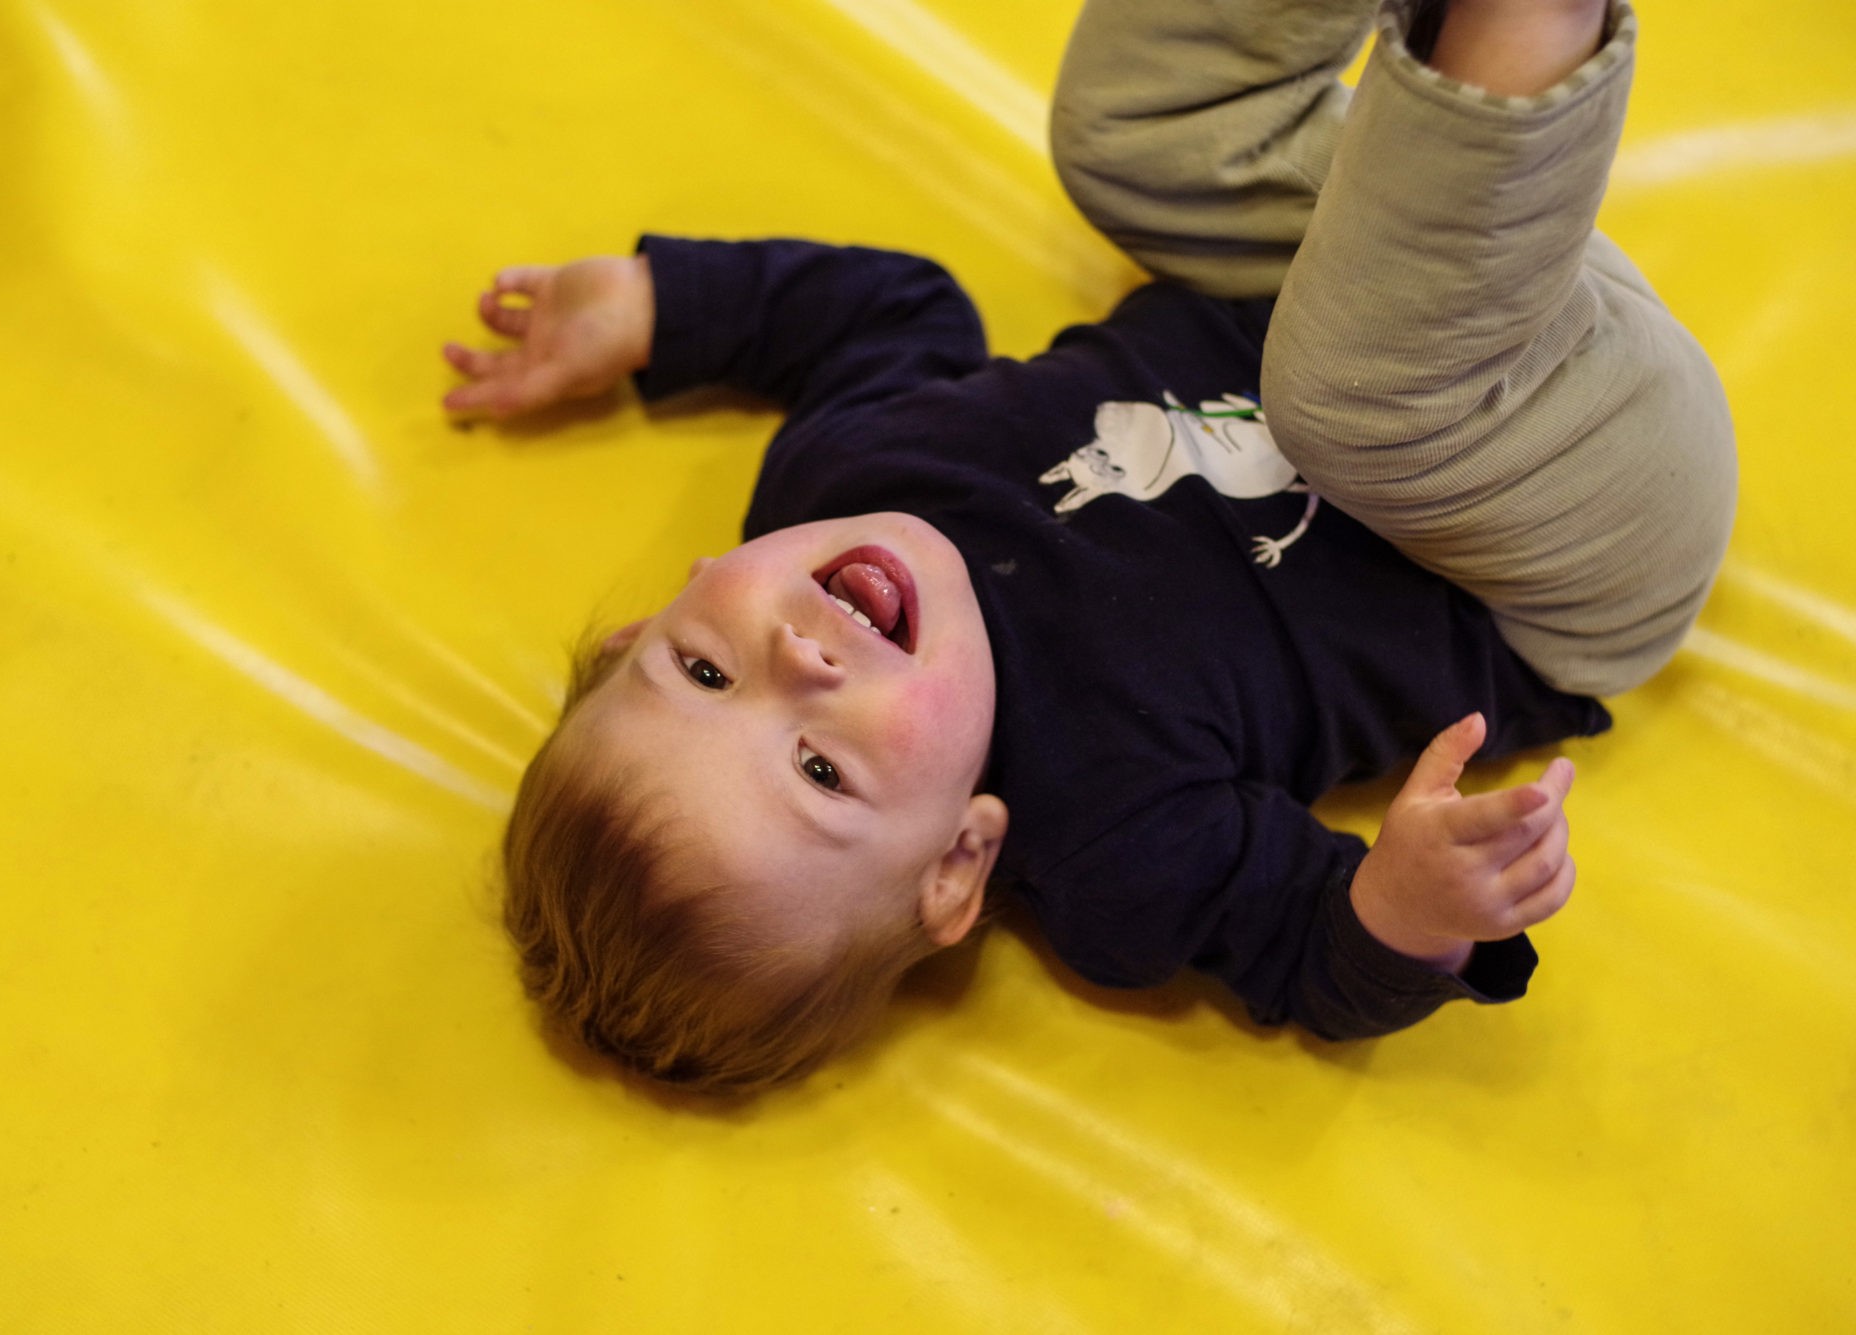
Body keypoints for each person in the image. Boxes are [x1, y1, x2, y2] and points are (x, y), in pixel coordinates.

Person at [442, 0, 1736, 1093]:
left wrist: (662, 304)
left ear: (655, 616)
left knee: (1128, 138)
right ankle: (1525, 31)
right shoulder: (1112, 843)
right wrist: (1411, 909)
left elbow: (889, 312)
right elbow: (1306, 951)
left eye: (704, 670)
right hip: (1561, 535)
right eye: (822, 770)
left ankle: (1472, 100)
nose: (801, 659)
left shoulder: (835, 478)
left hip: (1359, 276)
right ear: (958, 863)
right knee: (1347, 401)